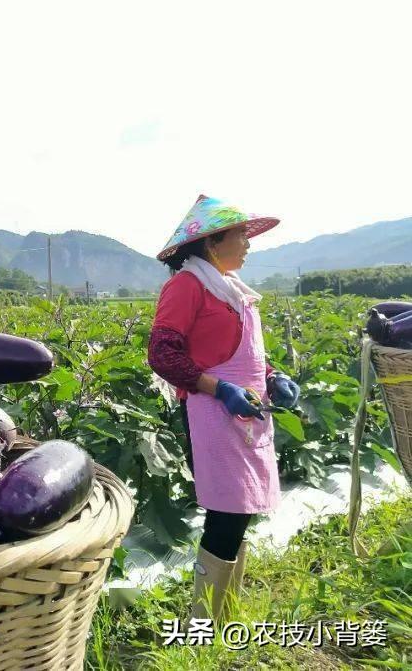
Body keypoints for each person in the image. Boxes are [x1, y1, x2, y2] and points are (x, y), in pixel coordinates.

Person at [147, 195, 301, 622]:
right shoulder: (186, 286)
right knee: (226, 513)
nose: (248, 243)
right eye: (241, 235)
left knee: (240, 510)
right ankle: (206, 618)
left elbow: (244, 353)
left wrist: (272, 378)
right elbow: (162, 354)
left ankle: (223, 611)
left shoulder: (230, 290)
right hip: (212, 413)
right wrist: (220, 388)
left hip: (247, 413)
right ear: (214, 243)